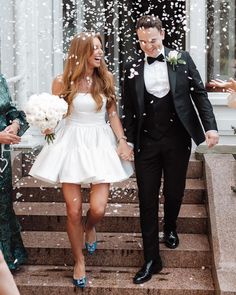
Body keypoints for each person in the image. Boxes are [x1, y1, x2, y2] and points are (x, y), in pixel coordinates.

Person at [29, 32, 133, 288]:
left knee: (98, 208)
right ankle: (79, 261)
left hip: (99, 144)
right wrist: (47, 125)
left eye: (100, 48)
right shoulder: (62, 81)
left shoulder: (105, 79)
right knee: (72, 209)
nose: (99, 53)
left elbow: (112, 115)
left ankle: (90, 226)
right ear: (80, 52)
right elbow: (56, 115)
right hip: (71, 145)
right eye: (93, 49)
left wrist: (121, 141)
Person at [122, 15, 219, 284]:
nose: (148, 47)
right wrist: (127, 140)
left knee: (175, 191)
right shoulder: (130, 66)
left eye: (152, 41)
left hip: (178, 139)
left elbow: (199, 94)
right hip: (147, 142)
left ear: (162, 34)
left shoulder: (181, 58)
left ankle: (171, 226)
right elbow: (128, 108)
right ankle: (151, 258)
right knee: (147, 198)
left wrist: (210, 127)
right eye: (142, 42)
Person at [0, 74, 28, 272]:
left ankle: (7, 258)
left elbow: (10, 110)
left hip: (2, 156)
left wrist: (15, 124)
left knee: (2, 205)